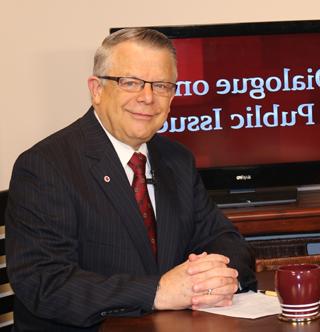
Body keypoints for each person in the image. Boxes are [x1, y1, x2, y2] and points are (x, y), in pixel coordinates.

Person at [5, 28, 257, 331]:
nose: (147, 97)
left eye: (162, 85)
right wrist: (157, 292)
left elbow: (228, 242)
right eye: (130, 82)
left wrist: (216, 277)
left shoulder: (177, 160)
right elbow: (45, 283)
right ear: (96, 89)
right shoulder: (45, 166)